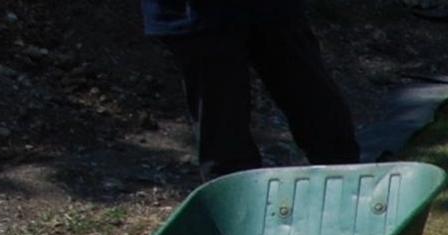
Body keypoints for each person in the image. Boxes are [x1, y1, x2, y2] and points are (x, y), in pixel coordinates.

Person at [141, 0, 359, 181]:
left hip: (270, 9)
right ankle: (240, 218)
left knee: (320, 111)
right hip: (196, 15)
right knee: (225, 141)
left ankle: (354, 197)